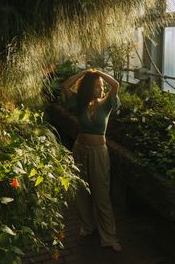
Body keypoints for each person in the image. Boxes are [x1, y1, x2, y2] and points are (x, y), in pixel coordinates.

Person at [62, 69, 122, 252]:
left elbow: (116, 85)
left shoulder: (107, 104)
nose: (100, 89)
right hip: (79, 150)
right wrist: (84, 73)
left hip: (98, 153)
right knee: (81, 191)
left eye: (101, 86)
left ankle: (109, 237)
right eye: (96, 86)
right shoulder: (79, 103)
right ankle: (88, 226)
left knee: (101, 194)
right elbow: (65, 85)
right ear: (88, 87)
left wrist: (99, 73)